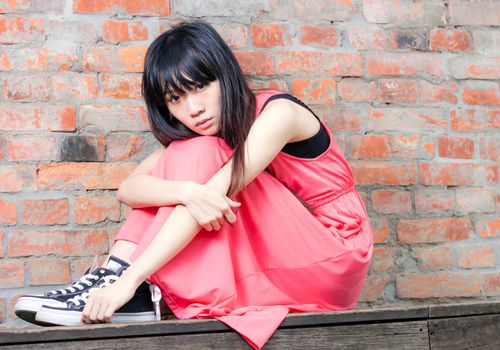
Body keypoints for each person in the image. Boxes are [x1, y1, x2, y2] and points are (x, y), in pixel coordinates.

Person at [14, 20, 373, 349]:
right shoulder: (206, 139)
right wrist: (186, 191)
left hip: (332, 252)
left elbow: (219, 189)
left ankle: (127, 283)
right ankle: (115, 273)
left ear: (224, 74)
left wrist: (128, 281)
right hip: (283, 250)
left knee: (199, 154)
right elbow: (130, 188)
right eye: (175, 98)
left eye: (200, 86)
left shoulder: (279, 113)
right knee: (191, 155)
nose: (193, 108)